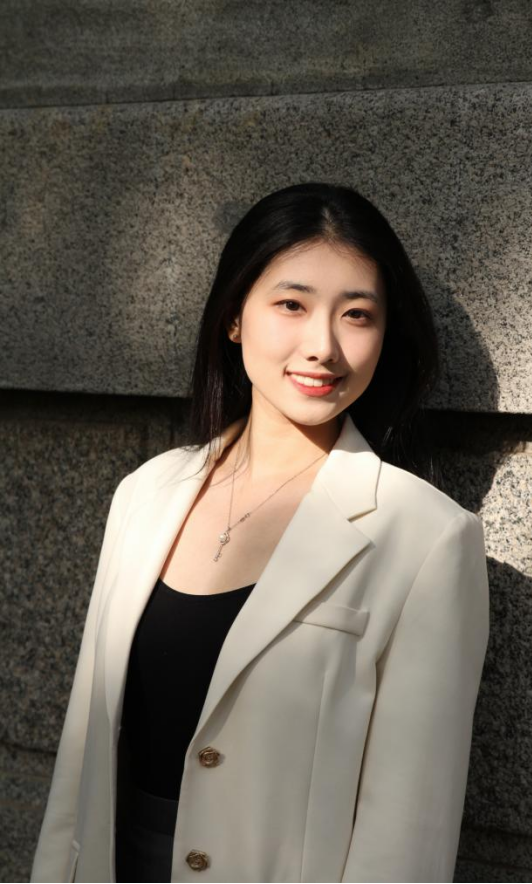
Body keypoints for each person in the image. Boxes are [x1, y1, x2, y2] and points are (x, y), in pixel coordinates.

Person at [30, 182, 490, 883]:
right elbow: (83, 756)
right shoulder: (146, 494)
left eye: (357, 315)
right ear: (234, 318)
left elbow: (406, 832)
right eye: (291, 305)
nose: (323, 347)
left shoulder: (427, 537)